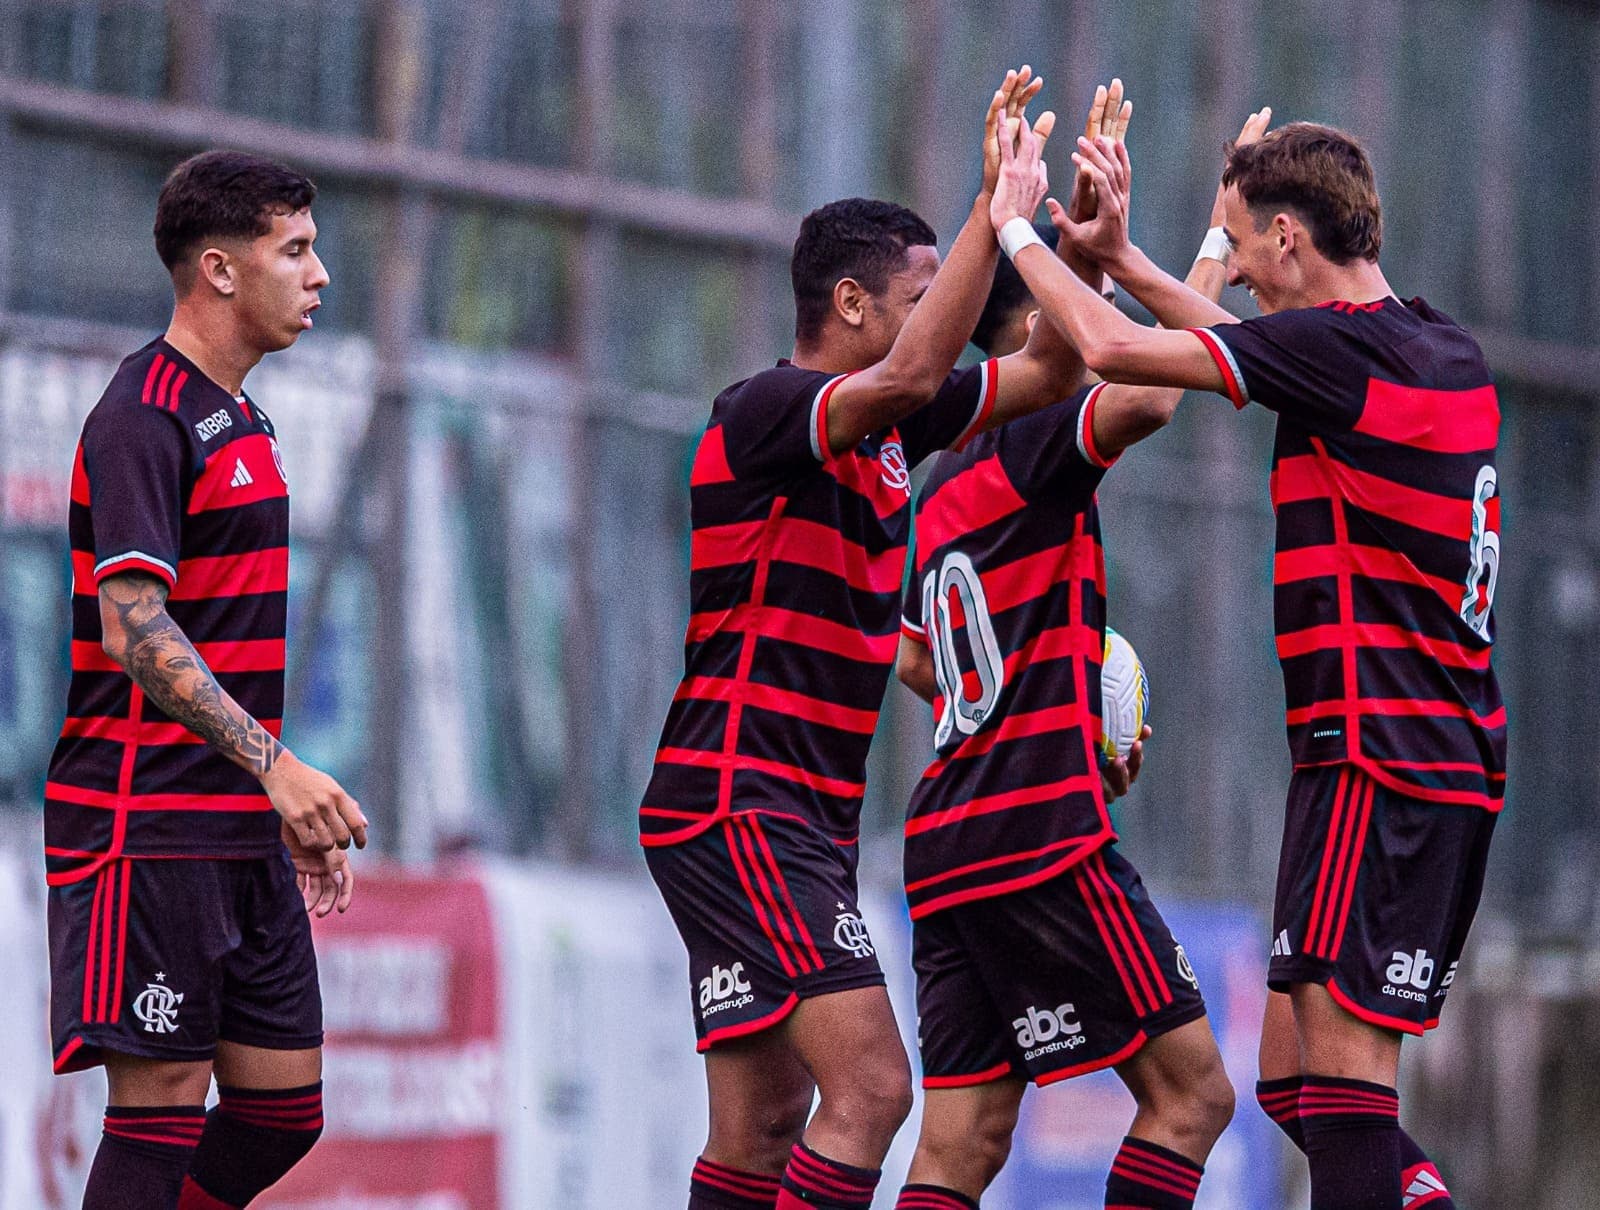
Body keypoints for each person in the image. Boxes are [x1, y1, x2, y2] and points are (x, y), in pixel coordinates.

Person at [990, 110, 1503, 1210]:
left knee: (1349, 1093)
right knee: (1292, 1081)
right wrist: (1130, 253)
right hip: (1433, 758)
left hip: (1381, 757)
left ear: (1285, 241)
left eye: (1237, 242)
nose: (1235, 274)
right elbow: (1227, 341)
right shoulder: (1434, 347)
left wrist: (1018, 234)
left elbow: (1124, 353)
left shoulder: (1333, 354)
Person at [640, 69, 1110, 1210]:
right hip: (737, 799)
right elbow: (909, 372)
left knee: (761, 1129)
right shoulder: (763, 413)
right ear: (850, 305)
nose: (936, 320)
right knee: (875, 1090)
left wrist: (1082, 250)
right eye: (918, 293)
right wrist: (988, 210)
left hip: (791, 812)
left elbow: (1052, 367)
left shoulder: (897, 429)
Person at [890, 92, 1271, 1210]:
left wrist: (1047, 694)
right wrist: (1214, 231)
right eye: (1075, 297)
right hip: (1038, 832)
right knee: (1193, 1097)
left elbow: (920, 662)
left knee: (961, 1140)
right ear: (1028, 329)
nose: (1095, 313)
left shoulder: (940, 483)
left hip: (947, 842)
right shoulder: (1028, 437)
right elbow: (1151, 387)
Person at [45, 150, 368, 1209]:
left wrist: (269, 801)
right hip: (144, 827)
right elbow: (134, 629)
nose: (319, 274)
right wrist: (277, 769)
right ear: (222, 270)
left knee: (284, 1109)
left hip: (232, 824)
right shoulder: (144, 414)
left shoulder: (248, 420)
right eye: (297, 250)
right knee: (162, 1104)